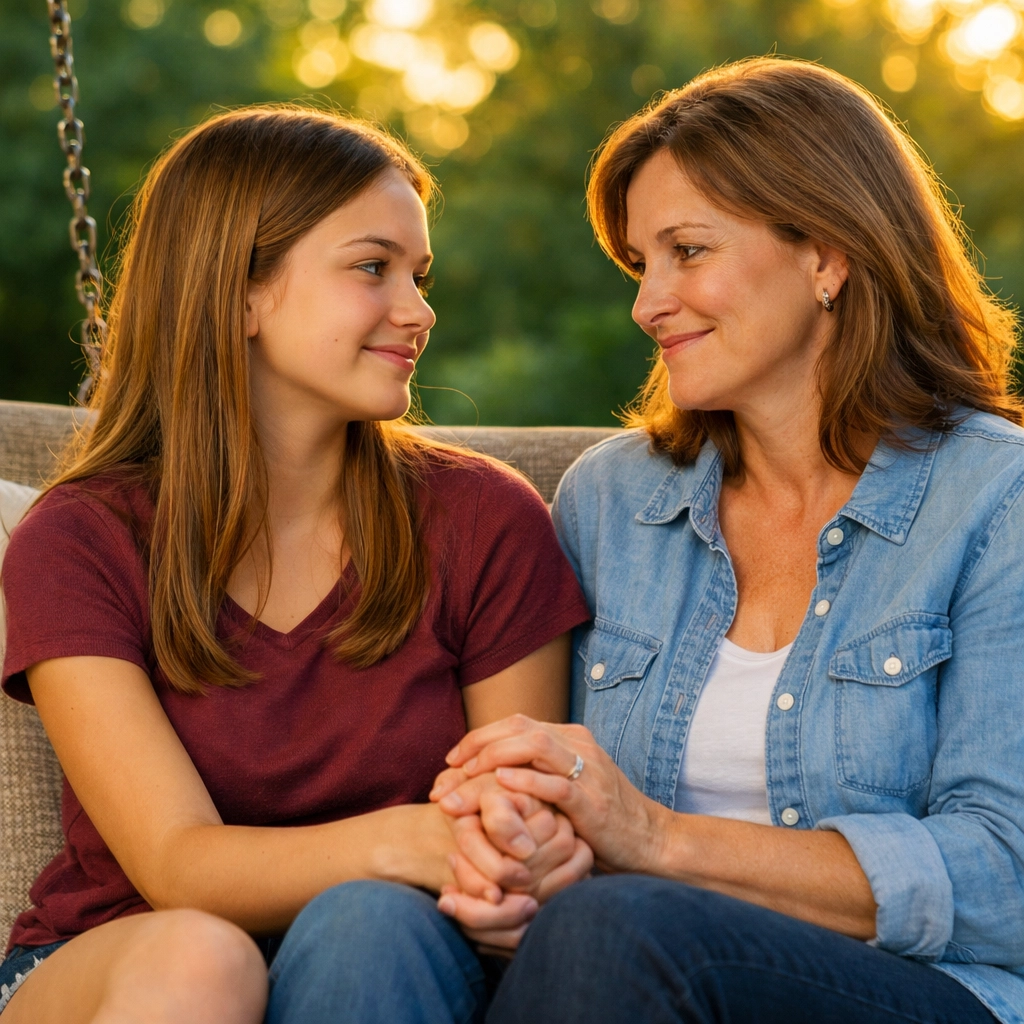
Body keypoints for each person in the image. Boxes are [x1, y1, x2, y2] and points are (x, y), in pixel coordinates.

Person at [434, 58, 1024, 1023]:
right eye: (640, 262)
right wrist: (528, 858)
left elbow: (1008, 875)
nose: (646, 303)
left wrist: (656, 840)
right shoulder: (611, 503)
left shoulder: (999, 499)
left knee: (615, 928)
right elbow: (575, 829)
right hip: (630, 981)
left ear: (827, 255)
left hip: (930, 996)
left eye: (688, 250)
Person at [0, 107, 593, 1023]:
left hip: (396, 966)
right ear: (237, 291)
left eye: (419, 275)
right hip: (130, 958)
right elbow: (177, 863)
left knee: (368, 924)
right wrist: (414, 839)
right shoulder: (80, 541)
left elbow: (505, 831)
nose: (419, 309)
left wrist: (497, 859)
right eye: (372, 268)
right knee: (204, 959)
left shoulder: (485, 520)